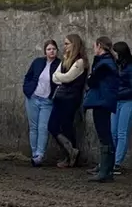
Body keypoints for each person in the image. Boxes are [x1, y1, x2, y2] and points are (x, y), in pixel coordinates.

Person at [84, 36, 120, 183]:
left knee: (104, 136)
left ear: (99, 46)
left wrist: (92, 73)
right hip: (104, 101)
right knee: (106, 136)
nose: (94, 49)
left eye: (94, 46)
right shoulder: (108, 62)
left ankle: (105, 172)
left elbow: (91, 81)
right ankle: (106, 170)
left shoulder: (104, 64)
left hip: (101, 102)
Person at [49, 33, 88, 168]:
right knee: (53, 125)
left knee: (67, 126)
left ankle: (70, 155)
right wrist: (60, 76)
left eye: (67, 44)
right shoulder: (66, 59)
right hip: (61, 96)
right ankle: (70, 151)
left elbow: (66, 78)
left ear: (74, 44)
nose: (64, 46)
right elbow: (55, 77)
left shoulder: (80, 61)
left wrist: (59, 76)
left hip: (71, 98)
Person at [22, 39, 61, 166]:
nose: (52, 51)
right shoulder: (38, 62)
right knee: (33, 127)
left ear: (57, 50)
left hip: (47, 101)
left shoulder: (60, 64)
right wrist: (28, 90)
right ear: (45, 51)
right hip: (33, 98)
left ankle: (40, 154)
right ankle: (34, 154)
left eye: (54, 49)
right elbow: (28, 76)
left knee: (43, 127)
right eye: (49, 49)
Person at [110, 41, 132, 174]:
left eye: (115, 52)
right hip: (118, 101)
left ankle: (117, 163)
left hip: (129, 102)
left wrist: (117, 94)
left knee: (122, 132)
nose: (113, 54)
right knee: (112, 132)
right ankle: (109, 161)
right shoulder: (119, 66)